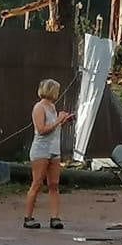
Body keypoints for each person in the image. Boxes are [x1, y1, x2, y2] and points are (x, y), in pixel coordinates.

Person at [23, 78, 73, 229]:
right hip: (41, 150)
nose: (58, 93)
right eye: (56, 90)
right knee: (37, 183)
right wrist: (58, 120)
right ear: (50, 90)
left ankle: (55, 217)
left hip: (54, 150)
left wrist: (64, 121)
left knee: (54, 184)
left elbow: (53, 128)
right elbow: (42, 130)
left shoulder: (52, 107)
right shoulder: (39, 107)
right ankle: (28, 217)